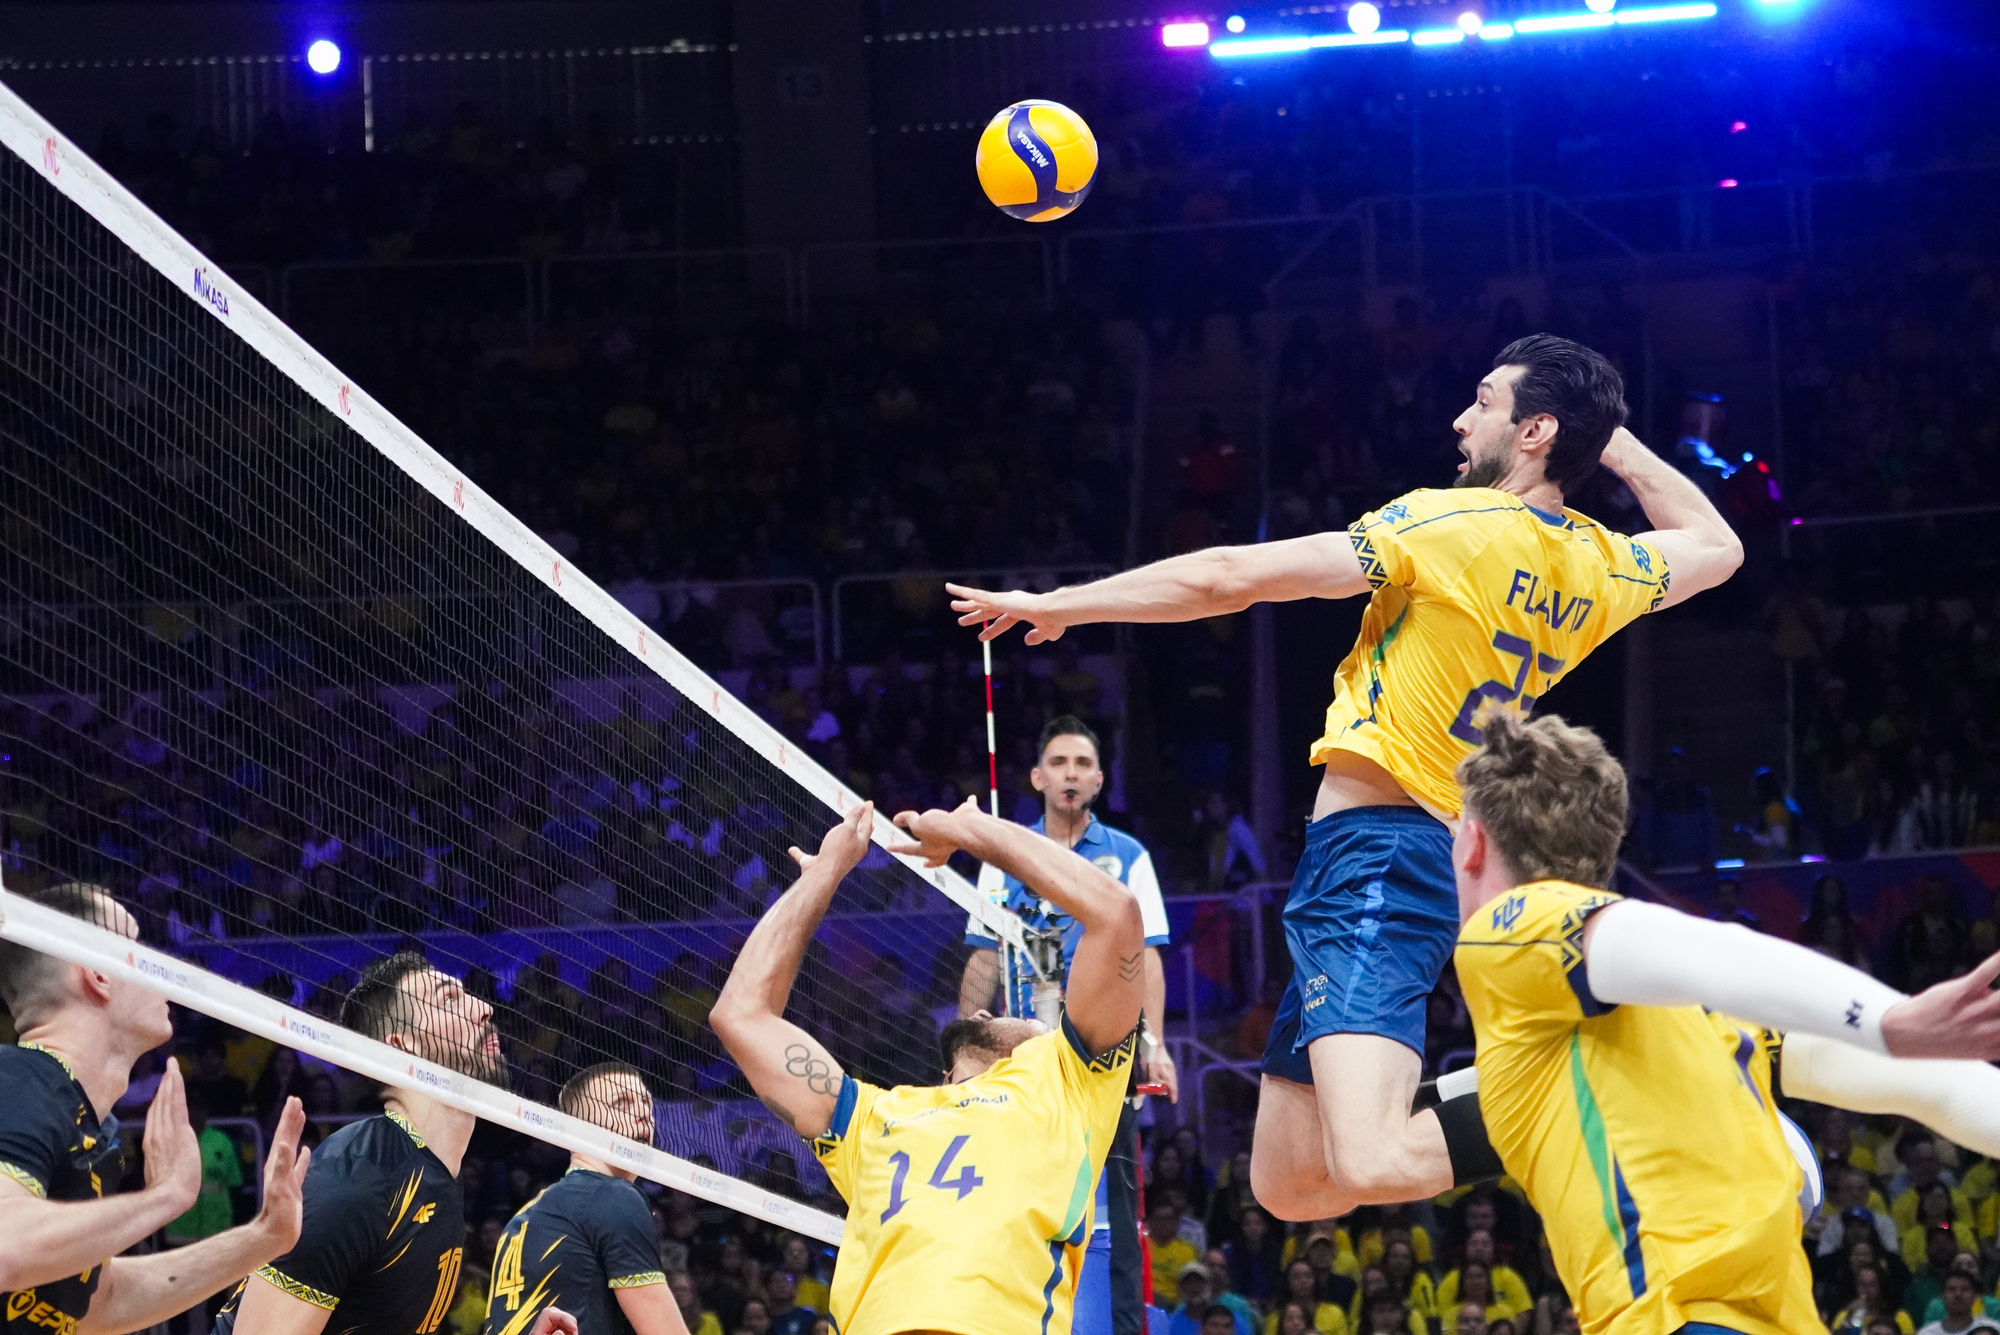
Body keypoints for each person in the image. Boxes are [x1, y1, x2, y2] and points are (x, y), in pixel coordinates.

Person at [950, 336, 1746, 1214]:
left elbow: (1231, 576)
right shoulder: (1601, 564)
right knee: (1290, 1181)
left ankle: (1610, 1084)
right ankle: (1544, 1085)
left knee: (1369, 1161)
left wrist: (1061, 605)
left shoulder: (1451, 524)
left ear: (1535, 431)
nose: (1462, 418)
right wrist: (1611, 442)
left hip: (1382, 854)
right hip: (1392, 856)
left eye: (1485, 400)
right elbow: (1717, 547)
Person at [1450, 708, 2000, 1335]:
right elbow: (1929, 1083)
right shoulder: (1688, 1011)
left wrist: (1884, 1019)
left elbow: (1686, 945)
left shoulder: (1507, 933)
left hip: (1677, 1317)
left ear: (1472, 842)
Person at [709, 800, 1143, 1335]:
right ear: (943, 1076)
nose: (987, 1011)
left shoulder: (1070, 1083)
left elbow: (1116, 913)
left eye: (1018, 1015)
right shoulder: (873, 1117)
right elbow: (739, 1016)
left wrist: (973, 831)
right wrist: (822, 876)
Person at [0, 881, 312, 1335]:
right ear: (98, 974)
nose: (159, 964)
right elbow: (5, 1245)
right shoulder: (18, 1078)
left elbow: (99, 1307)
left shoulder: (91, 1127)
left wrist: (265, 1238)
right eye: (135, 944)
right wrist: (168, 1195)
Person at [214, 952, 576, 1335]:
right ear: (404, 1046)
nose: (484, 1009)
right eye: (448, 1000)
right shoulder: (358, 1178)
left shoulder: (437, 1173)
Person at [957, 717, 1172, 1335]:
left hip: (1106, 1047)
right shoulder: (1004, 855)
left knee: (1118, 1209)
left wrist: (1155, 1043)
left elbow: (1149, 954)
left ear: (1099, 780)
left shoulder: (1128, 856)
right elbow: (983, 954)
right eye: (1058, 763)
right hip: (1023, 1052)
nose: (1070, 774)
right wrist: (966, 1038)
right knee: (1014, 1190)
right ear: (1037, 778)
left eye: (1082, 764)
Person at [484, 1062, 684, 1335]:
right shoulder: (614, 1197)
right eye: (621, 1103)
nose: (642, 1113)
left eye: (646, 1102)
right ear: (577, 1128)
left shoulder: (522, 1218)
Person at [1833, 1266, 1915, 1335]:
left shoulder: (1899, 1317)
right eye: (1862, 1284)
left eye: (1872, 1285)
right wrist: (1850, 1317)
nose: (1867, 1290)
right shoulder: (1845, 1316)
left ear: (1881, 1287)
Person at [1915, 1273, 2000, 1335]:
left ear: (1974, 1296)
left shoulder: (1993, 1329)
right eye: (1951, 1289)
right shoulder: (1927, 1333)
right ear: (1942, 1296)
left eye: (1964, 1289)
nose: (1958, 1294)